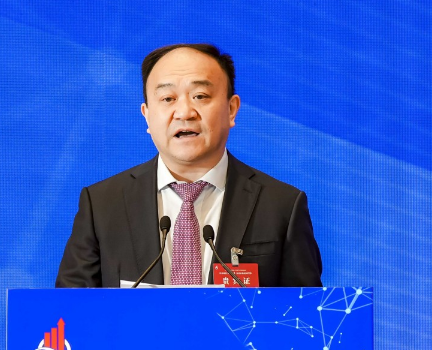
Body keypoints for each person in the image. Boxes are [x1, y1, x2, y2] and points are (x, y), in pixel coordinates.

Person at [56, 43, 322, 288]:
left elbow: (305, 313)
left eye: (200, 96)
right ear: (147, 115)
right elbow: (69, 309)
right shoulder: (102, 204)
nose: (184, 112)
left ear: (231, 109)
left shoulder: (281, 205)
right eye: (167, 99)